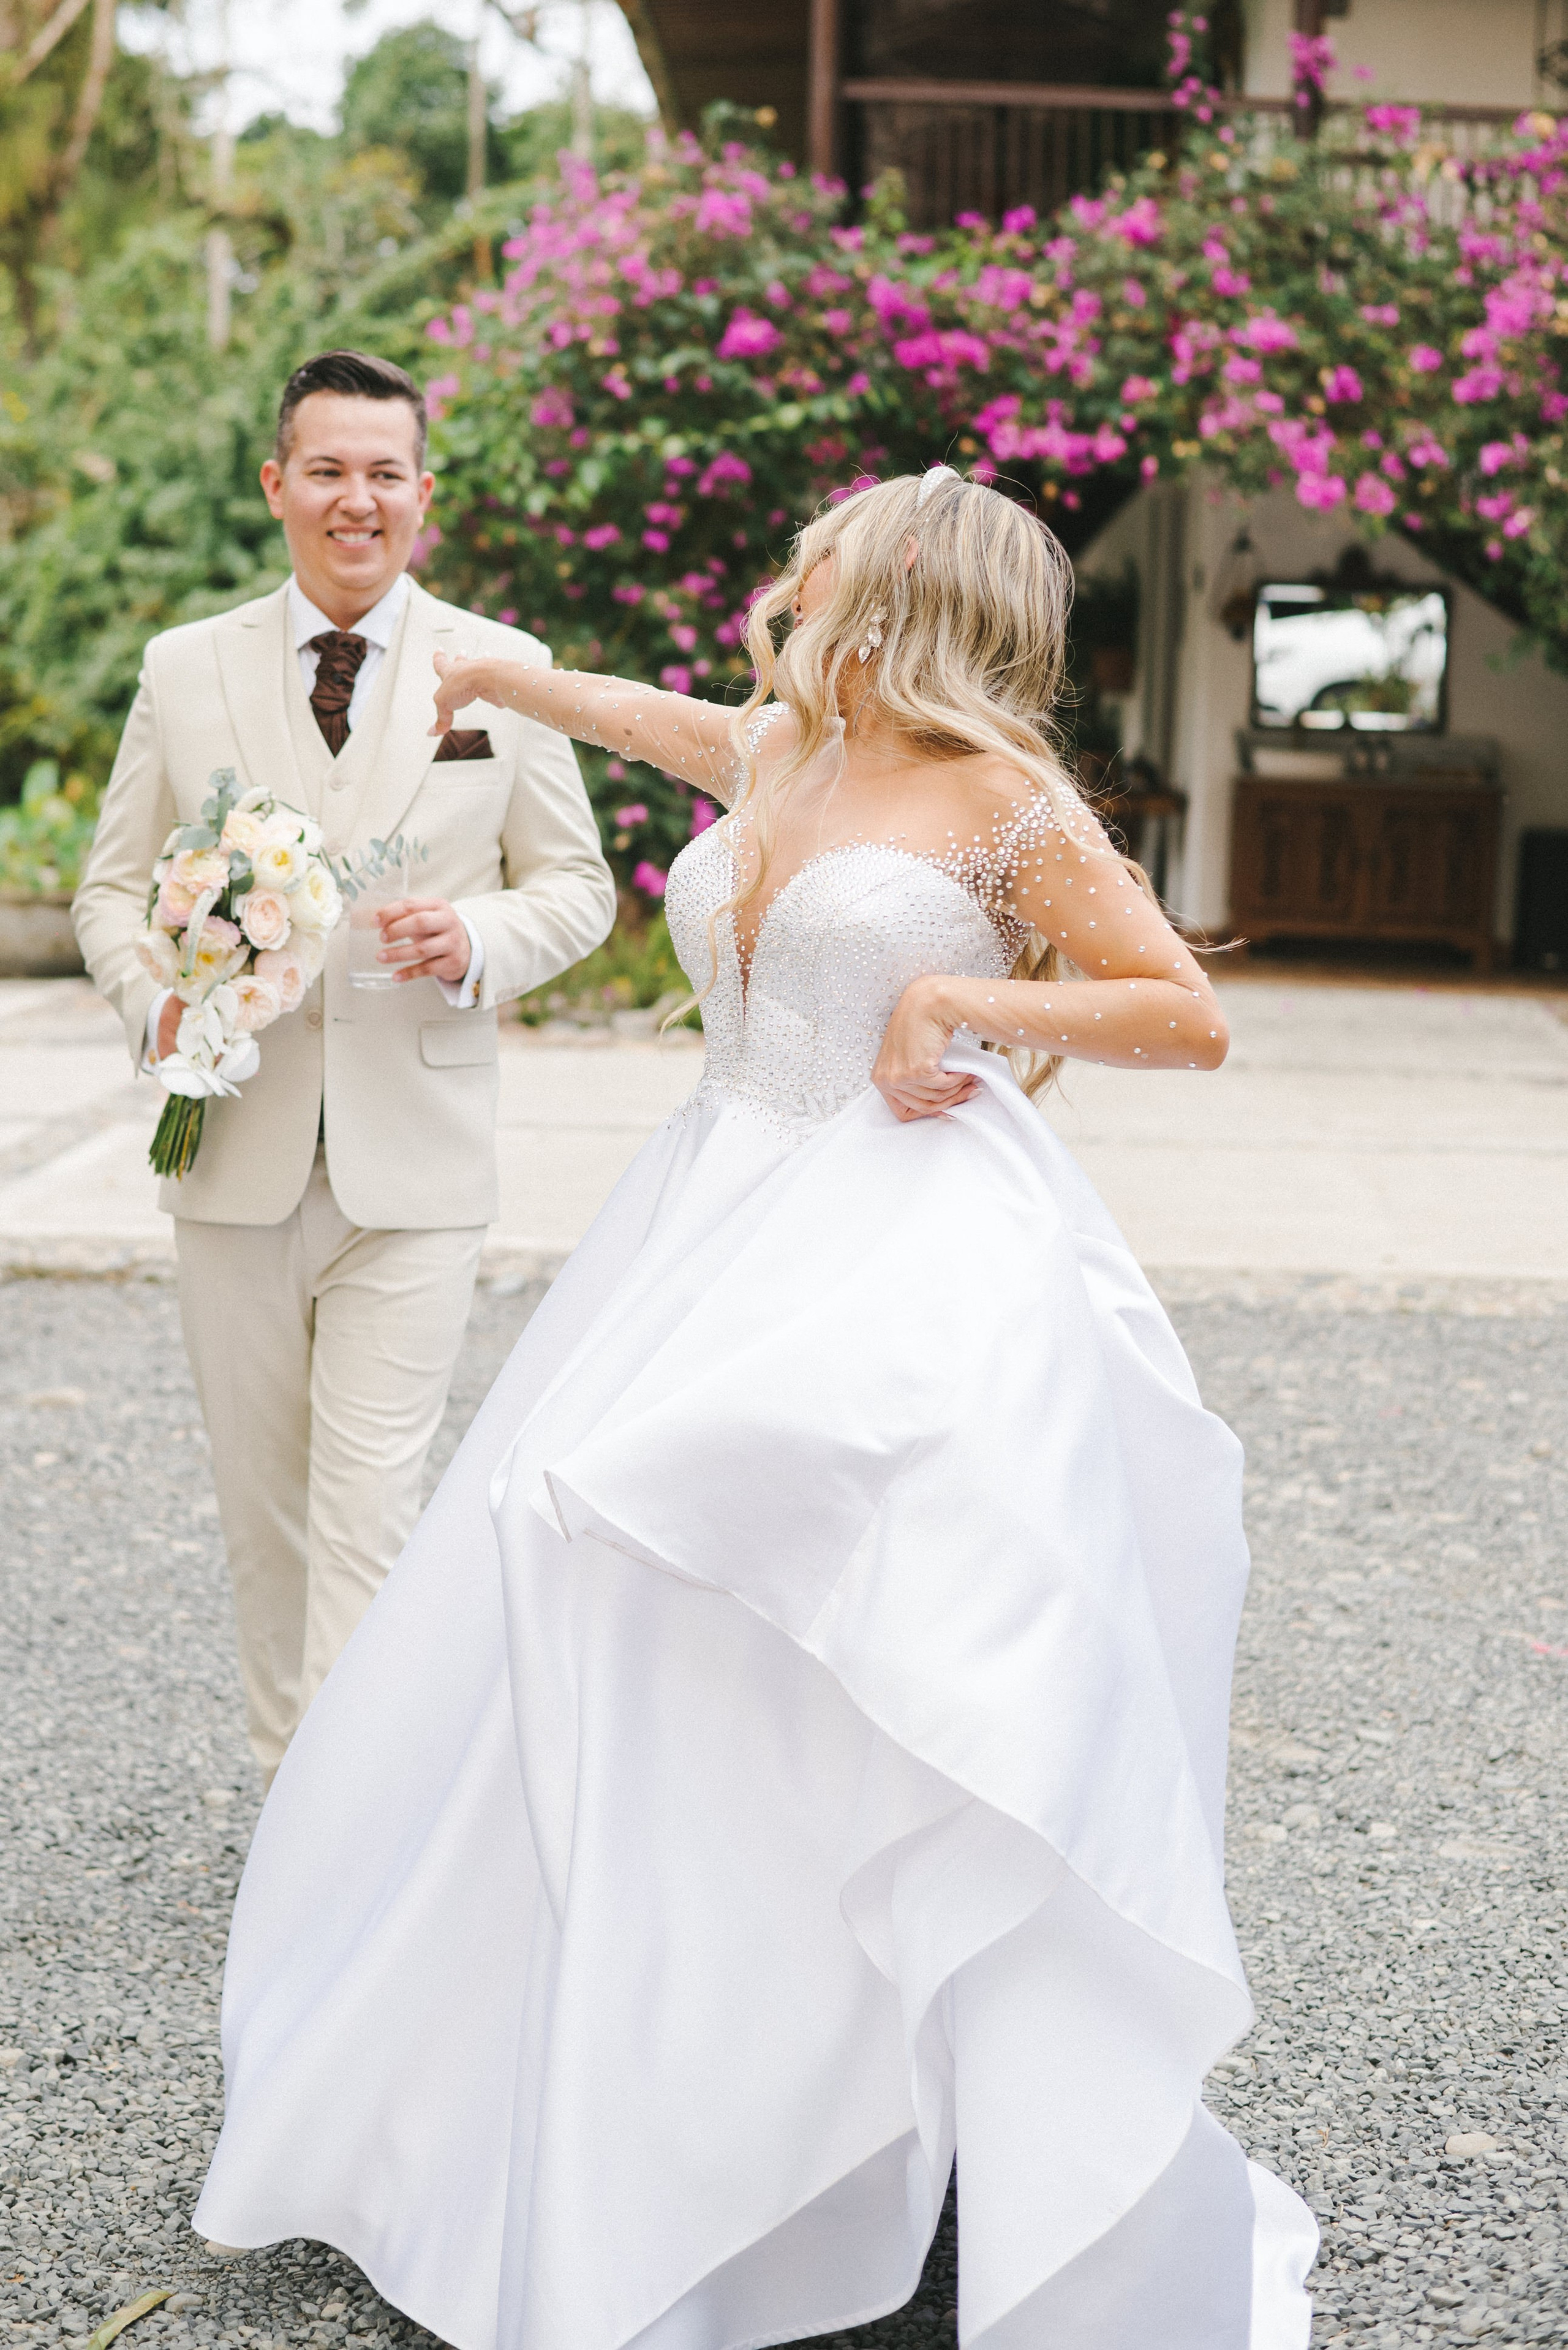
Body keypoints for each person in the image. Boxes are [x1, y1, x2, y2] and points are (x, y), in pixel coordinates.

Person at [192, 469, 1318, 2348]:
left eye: (826, 561)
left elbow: (1182, 1007)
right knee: (596, 1590)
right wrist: (496, 674)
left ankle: (880, 2096)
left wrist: (961, 994)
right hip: (706, 1224)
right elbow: (642, 720)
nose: (788, 581)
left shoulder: (1000, 802)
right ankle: (645, 2083)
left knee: (854, 1649)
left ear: (898, 595)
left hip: (902, 1256)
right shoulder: (782, 744)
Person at [73, 349, 616, 1786]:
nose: (355, 499)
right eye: (327, 469)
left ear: (423, 497)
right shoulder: (184, 670)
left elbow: (577, 884)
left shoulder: (503, 669)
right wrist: (157, 1006)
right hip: (232, 1152)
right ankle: (284, 1783)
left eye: (386, 473)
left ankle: (345, 1829)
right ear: (277, 486)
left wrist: (480, 932)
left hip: (415, 1165)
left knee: (370, 1508)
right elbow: (109, 892)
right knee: (265, 1518)